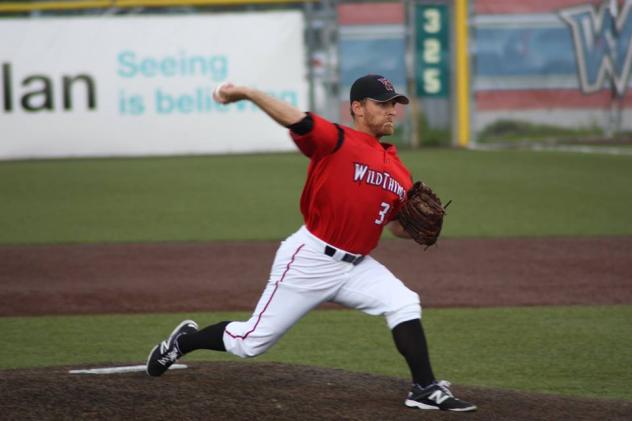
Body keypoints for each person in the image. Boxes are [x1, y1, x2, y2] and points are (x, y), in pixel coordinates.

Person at [146, 74, 476, 412]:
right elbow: (297, 119)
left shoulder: (399, 171)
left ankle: (424, 388)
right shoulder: (336, 140)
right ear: (358, 108)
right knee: (249, 343)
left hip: (356, 267)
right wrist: (247, 92)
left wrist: (420, 229)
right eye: (383, 103)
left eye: (395, 104)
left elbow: (393, 225)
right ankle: (183, 341)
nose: (392, 111)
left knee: (404, 302)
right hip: (310, 258)